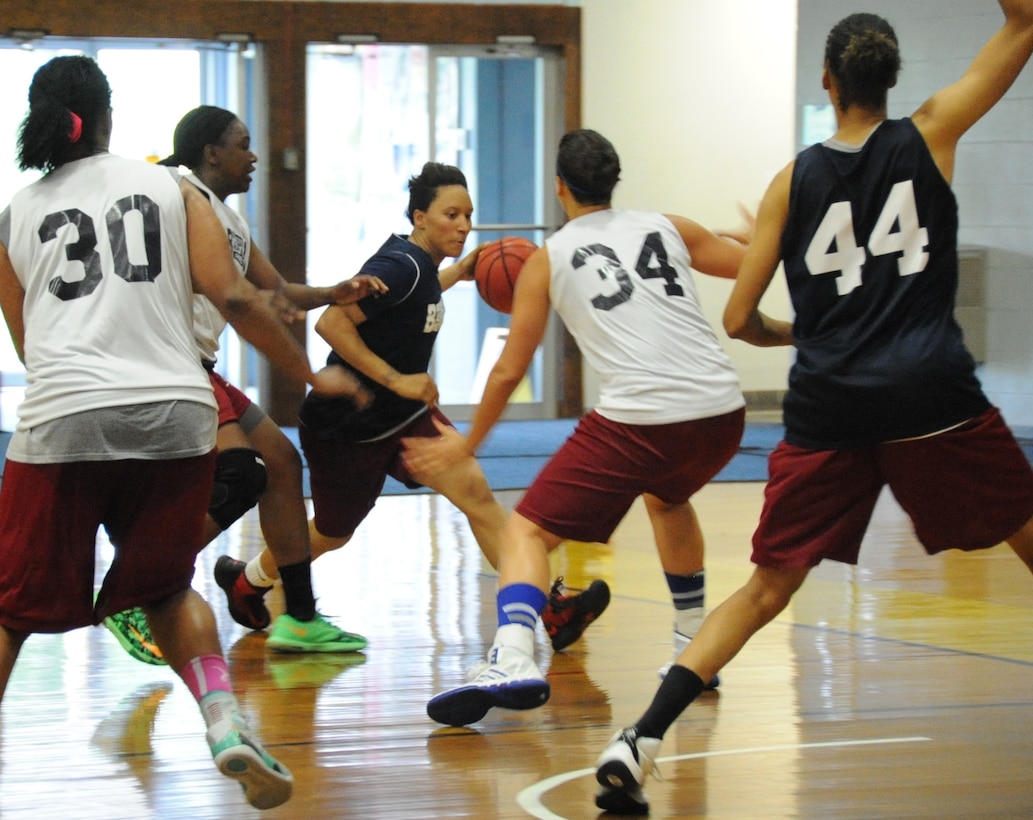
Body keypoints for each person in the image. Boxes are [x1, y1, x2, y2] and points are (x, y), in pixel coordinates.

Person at [591, 5, 1033, 815]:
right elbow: (1020, 33)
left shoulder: (788, 181)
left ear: (826, 82)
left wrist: (812, 333)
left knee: (765, 588)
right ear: (891, 78)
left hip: (828, 404)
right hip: (927, 393)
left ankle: (639, 739)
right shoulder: (929, 132)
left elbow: (737, 320)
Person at [0, 55, 363, 810]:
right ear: (106, 120)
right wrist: (304, 371)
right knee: (166, 586)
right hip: (174, 412)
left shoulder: (14, 215)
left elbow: (29, 345)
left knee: (10, 610)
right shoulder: (166, 184)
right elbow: (231, 295)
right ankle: (224, 721)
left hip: (64, 416)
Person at [409, 129, 748, 729]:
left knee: (526, 535)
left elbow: (512, 367)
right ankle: (696, 645)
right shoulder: (668, 226)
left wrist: (467, 442)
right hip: (722, 411)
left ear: (559, 186)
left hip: (644, 418)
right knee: (668, 499)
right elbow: (753, 263)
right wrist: (757, 233)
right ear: (614, 180)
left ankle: (512, 655)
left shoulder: (550, 257)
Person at [224, 161, 611, 655]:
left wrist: (463, 270)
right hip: (350, 425)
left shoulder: (419, 266)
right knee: (331, 533)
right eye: (452, 214)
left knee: (478, 497)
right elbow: (331, 326)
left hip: (405, 420)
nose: (464, 225)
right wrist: (397, 379)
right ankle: (250, 580)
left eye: (469, 214)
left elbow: (414, 296)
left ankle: (549, 609)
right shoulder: (398, 265)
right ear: (420, 216)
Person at [103, 105, 385, 662]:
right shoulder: (176, 195)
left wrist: (334, 291)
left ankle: (299, 619)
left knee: (281, 463)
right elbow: (236, 301)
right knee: (243, 475)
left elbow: (274, 292)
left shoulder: (228, 219)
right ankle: (129, 593)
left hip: (201, 367)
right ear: (211, 152)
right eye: (243, 143)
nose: (254, 156)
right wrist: (308, 373)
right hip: (169, 362)